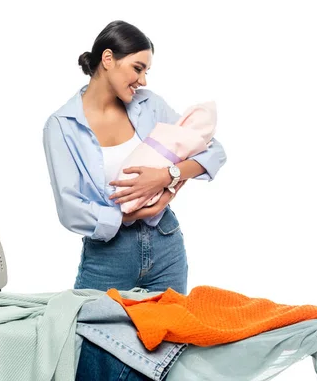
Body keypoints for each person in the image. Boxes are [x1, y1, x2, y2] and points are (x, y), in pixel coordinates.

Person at [43, 20, 226, 295]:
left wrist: (166, 176)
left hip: (166, 246)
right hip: (107, 256)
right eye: (138, 68)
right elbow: (71, 209)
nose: (143, 80)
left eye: (146, 71)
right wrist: (128, 216)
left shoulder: (149, 105)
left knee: (170, 337)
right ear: (108, 59)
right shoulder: (62, 125)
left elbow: (213, 151)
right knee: (93, 337)